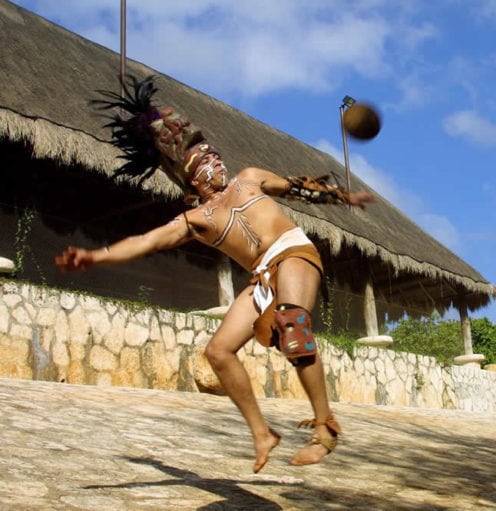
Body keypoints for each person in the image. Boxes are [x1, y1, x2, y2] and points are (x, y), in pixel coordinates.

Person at [55, 76, 374, 473]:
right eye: (204, 161)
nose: (215, 161)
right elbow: (145, 242)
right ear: (192, 178)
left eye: (213, 154)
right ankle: (262, 433)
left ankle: (325, 429)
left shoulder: (250, 178)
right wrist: (94, 256)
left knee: (293, 326)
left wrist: (344, 197)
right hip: (262, 277)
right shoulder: (195, 218)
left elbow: (298, 188)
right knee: (219, 352)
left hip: (293, 251)